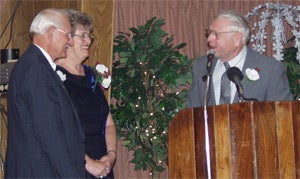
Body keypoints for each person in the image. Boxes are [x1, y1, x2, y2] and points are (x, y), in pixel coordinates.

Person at [5, 8, 86, 178]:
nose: (70, 42)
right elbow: (51, 134)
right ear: (50, 32)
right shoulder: (36, 70)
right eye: (68, 35)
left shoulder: (34, 65)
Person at [186, 10, 293, 108]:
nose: (209, 39)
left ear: (237, 39)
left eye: (215, 34)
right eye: (209, 33)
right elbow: (191, 113)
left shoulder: (270, 69)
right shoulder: (201, 67)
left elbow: (282, 115)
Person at [55, 9, 117, 178]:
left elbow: (108, 123)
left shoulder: (91, 76)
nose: (88, 40)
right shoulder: (53, 78)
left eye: (89, 35)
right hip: (74, 166)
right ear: (67, 39)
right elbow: (56, 132)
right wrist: (89, 163)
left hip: (103, 166)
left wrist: (110, 156)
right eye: (83, 35)